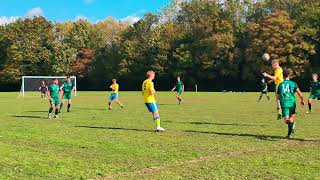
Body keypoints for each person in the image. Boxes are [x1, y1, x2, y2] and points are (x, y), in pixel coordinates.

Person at [277, 69, 305, 139]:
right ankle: (289, 134)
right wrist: (302, 100)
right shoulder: (293, 84)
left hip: (284, 103)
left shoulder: (280, 85)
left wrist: (278, 106)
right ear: (289, 75)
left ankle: (292, 125)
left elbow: (278, 97)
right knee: (291, 118)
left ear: (283, 76)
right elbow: (300, 94)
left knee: (286, 120)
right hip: (292, 103)